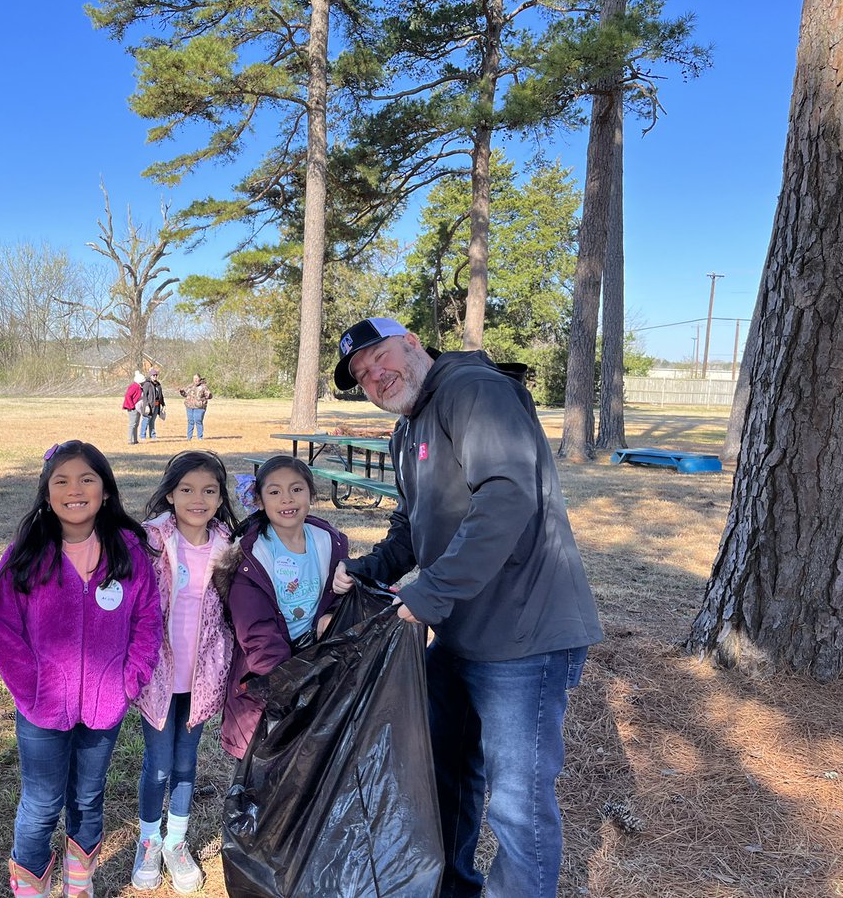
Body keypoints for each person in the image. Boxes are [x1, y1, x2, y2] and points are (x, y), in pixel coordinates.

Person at [329, 318, 604, 898]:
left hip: (521, 636)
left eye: (379, 358)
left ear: (412, 342)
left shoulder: (473, 391)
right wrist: (367, 570)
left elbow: (507, 496)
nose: (374, 376)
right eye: (361, 375)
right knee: (443, 777)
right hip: (459, 634)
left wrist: (427, 594)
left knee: (517, 804)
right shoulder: (409, 429)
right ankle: (452, 888)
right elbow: (413, 522)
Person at [0, 440, 163, 898]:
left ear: (105, 490)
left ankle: (77, 887)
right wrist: (34, 688)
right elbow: (0, 630)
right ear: (46, 494)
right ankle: (30, 889)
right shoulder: (26, 553)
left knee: (87, 798)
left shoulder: (127, 552)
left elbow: (148, 620)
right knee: (42, 804)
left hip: (106, 706)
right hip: (41, 709)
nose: (74, 490)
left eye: (87, 478)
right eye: (60, 481)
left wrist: (129, 681)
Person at [131, 450, 240, 893]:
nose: (198, 499)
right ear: (170, 494)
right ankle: (147, 842)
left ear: (220, 498)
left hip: (202, 676)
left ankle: (176, 842)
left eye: (209, 491)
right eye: (187, 490)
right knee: (157, 766)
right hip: (158, 676)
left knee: (185, 763)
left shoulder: (229, 546)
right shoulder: (150, 540)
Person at [213, 455, 350, 760]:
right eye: (274, 492)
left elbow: (340, 595)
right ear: (259, 501)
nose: (287, 499)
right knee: (268, 766)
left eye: (296, 489)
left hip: (318, 666)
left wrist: (331, 615)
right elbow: (257, 634)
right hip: (269, 681)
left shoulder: (329, 542)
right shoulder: (250, 559)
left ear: (311, 495)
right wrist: (290, 689)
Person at [177, 373, 213, 440]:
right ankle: (189, 437)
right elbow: (185, 394)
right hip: (190, 406)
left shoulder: (203, 387)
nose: (195, 380)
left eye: (197, 378)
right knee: (190, 421)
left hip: (199, 407)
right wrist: (181, 391)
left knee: (198, 420)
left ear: (199, 379)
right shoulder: (190, 386)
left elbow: (210, 396)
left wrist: (209, 395)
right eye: (194, 379)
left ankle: (200, 437)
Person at [140, 368, 166, 440]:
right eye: (153, 375)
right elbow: (144, 396)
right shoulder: (147, 384)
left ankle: (153, 435)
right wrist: (146, 405)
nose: (155, 376)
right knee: (146, 420)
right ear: (150, 376)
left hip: (156, 405)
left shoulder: (158, 384)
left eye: (156, 375)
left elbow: (161, 395)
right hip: (149, 405)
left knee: (152, 421)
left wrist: (163, 404)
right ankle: (142, 436)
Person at [124, 371, 146, 445]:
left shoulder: (139, 387)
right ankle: (130, 440)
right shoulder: (134, 386)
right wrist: (132, 406)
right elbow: (128, 395)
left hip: (138, 408)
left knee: (136, 424)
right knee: (132, 424)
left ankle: (135, 440)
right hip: (133, 408)